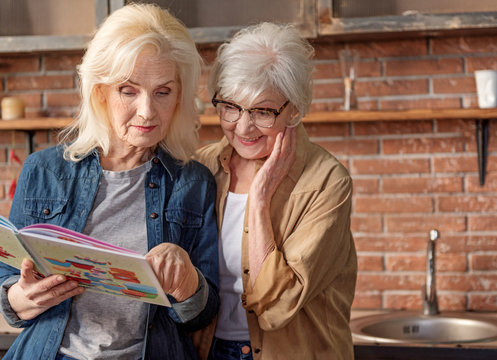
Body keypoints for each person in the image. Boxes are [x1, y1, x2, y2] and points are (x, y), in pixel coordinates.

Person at [0, 4, 219, 359]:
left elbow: (202, 315)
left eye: (163, 92)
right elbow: (8, 290)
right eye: (128, 90)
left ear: (180, 95)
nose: (147, 111)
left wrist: (189, 281)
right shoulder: (43, 171)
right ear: (100, 92)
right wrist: (21, 298)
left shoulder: (194, 183)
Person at [196, 22, 357, 360]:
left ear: (294, 109)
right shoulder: (202, 166)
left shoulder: (327, 182)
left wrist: (258, 200)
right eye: (230, 106)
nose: (242, 126)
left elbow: (278, 308)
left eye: (262, 111)